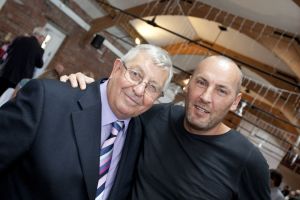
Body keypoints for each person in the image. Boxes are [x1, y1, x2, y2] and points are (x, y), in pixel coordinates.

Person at [68, 55, 271, 199]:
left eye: (221, 91)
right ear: (188, 84)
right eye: (201, 82)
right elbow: (116, 106)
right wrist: (89, 91)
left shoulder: (248, 161)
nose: (206, 97)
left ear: (235, 102)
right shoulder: (155, 117)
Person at [0, 44, 173, 200]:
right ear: (117, 68)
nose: (139, 90)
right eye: (135, 74)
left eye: (152, 87)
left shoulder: (141, 138)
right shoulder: (47, 100)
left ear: (158, 97)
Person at [0, 27, 46, 96]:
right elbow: (40, 64)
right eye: (43, 39)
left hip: (6, 72)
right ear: (40, 37)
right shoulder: (39, 49)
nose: (43, 41)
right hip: (19, 80)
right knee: (8, 99)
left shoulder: (19, 38)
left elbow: (8, 50)